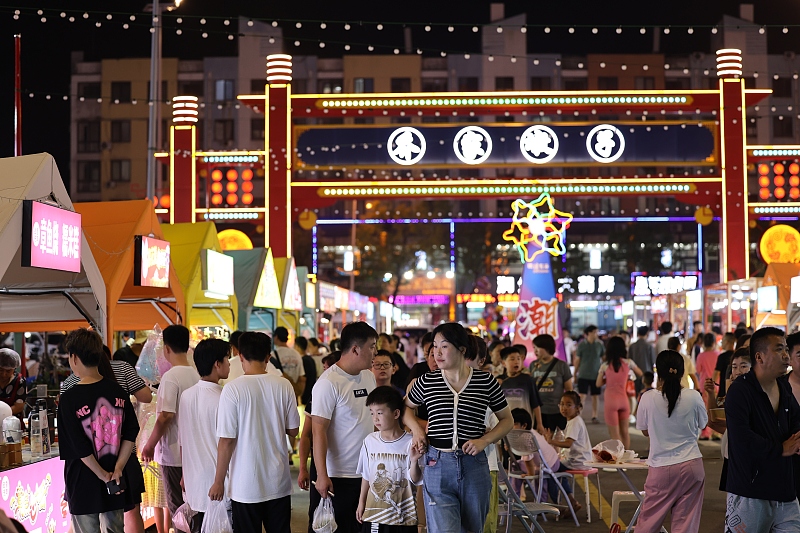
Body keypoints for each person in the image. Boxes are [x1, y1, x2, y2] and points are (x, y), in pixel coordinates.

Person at [406, 323, 512, 533]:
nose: (436, 352)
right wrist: (418, 431)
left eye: (444, 346)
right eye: (434, 347)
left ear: (462, 350)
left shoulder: (485, 381)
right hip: (437, 463)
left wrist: (484, 440)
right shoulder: (427, 381)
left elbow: (507, 420)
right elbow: (406, 408)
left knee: (473, 529)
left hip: (474, 465)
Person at [313, 323, 420, 533]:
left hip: (369, 473)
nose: (375, 352)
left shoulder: (368, 376)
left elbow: (380, 415)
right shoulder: (329, 383)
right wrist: (322, 475)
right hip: (340, 476)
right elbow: (318, 431)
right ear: (355, 349)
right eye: (372, 346)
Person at [209, 332, 300, 532]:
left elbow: (226, 440)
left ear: (240, 355)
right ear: (268, 357)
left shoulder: (232, 390)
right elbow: (293, 430)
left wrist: (218, 482)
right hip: (278, 482)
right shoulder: (284, 385)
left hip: (244, 486)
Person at [62, 346, 152, 533]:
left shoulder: (69, 395)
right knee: (116, 528)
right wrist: (117, 468)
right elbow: (130, 431)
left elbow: (77, 445)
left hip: (83, 478)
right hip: (116, 476)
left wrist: (103, 474)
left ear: (74, 358)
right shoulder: (117, 390)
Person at [725, 327, 800, 531]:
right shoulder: (740, 391)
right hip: (750, 493)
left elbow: (796, 422)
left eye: (786, 349)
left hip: (785, 492)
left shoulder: (783, 387)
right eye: (779, 350)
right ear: (759, 356)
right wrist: (780, 449)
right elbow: (742, 439)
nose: (786, 356)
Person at [635, 349, 707, 533]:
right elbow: (703, 423)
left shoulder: (647, 397)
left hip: (661, 469)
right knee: (686, 524)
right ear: (682, 372)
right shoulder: (694, 396)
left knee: (648, 523)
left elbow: (644, 430)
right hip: (692, 466)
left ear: (658, 371)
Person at [141, 325, 199, 533]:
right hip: (193, 454)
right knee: (193, 509)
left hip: (174, 454)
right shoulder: (196, 375)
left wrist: (149, 446)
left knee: (179, 511)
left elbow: (166, 416)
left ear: (166, 349)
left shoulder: (171, 377)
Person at [177, 339, 230, 533]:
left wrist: (184, 474)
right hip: (220, 482)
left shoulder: (186, 396)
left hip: (194, 482)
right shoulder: (224, 398)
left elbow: (182, 439)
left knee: (200, 527)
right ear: (217, 364)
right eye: (227, 358)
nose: (230, 363)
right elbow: (228, 443)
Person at [356, 387, 423, 533]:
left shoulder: (411, 442)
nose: (375, 418)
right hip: (375, 515)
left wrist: (414, 461)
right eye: (372, 413)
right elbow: (366, 476)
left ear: (396, 413)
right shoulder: (369, 441)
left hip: (404, 518)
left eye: (380, 413)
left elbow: (416, 480)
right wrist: (361, 503)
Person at [299, 352, 340, 533]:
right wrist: (303, 469)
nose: (324, 373)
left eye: (326, 369)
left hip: (344, 467)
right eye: (323, 369)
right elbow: (306, 435)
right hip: (321, 465)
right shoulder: (317, 395)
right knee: (318, 518)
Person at [704, 348, 751, 491]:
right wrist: (711, 394)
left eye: (743, 366)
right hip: (732, 452)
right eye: (734, 367)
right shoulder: (733, 393)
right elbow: (713, 419)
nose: (737, 371)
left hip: (746, 454)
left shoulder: (756, 393)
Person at [544, 391, 591, 511]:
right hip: (580, 460)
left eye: (569, 405)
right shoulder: (573, 420)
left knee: (549, 471)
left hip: (577, 461)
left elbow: (568, 444)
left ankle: (560, 506)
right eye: (562, 404)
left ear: (578, 407)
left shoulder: (574, 422)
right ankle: (572, 502)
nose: (564, 408)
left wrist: (551, 441)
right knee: (558, 472)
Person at [596, 336, 642, 450]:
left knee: (615, 436)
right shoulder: (628, 363)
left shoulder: (605, 365)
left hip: (611, 401)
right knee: (625, 432)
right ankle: (625, 459)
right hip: (624, 400)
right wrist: (628, 376)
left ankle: (619, 462)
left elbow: (598, 383)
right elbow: (640, 373)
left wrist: (610, 379)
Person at [509, 409, 561, 499]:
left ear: (524, 425)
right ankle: (538, 501)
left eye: (514, 424)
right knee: (518, 466)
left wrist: (530, 473)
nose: (511, 427)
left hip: (548, 464)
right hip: (549, 461)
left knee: (518, 467)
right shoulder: (530, 432)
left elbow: (528, 458)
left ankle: (514, 498)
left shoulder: (526, 437)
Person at [529, 334, 573, 432]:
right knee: (542, 442)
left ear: (547, 347)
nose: (535, 351)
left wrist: (569, 408)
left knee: (558, 441)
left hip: (558, 411)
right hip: (539, 412)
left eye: (537, 347)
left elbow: (569, 389)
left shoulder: (561, 365)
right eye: (534, 348)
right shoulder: (533, 365)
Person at [499, 346, 544, 431]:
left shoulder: (528, 380)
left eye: (518, 359)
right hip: (504, 424)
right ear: (503, 363)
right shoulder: (499, 381)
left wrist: (539, 424)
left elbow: (536, 404)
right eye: (512, 359)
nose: (516, 362)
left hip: (524, 424)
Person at [574, 325, 604, 423]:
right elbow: (577, 360)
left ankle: (594, 416)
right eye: (595, 332)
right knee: (582, 396)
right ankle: (579, 415)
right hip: (583, 373)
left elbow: (604, 358)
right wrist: (575, 373)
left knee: (595, 396)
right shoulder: (582, 345)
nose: (596, 334)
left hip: (596, 374)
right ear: (589, 333)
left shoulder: (599, 345)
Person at [695, 333, 719, 440]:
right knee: (716, 409)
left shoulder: (701, 355)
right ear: (714, 342)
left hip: (704, 386)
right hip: (717, 385)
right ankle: (716, 432)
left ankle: (706, 433)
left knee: (705, 410)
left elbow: (698, 370)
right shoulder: (718, 354)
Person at [273, 327, 306, 400]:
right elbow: (302, 379)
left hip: (279, 396)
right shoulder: (296, 354)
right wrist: (298, 394)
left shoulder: (273, 355)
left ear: (276, 337)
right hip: (293, 395)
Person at [628, 326, 656, 397]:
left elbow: (629, 361)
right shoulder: (649, 346)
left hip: (634, 375)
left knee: (636, 395)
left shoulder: (632, 346)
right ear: (647, 333)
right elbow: (653, 361)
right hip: (647, 375)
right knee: (645, 396)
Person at [0, 349, 26, 420]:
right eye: (1, 370)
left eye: (8, 371)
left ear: (14, 369)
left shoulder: (19, 381)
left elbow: (19, 407)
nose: (4, 374)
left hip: (13, 424)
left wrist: (2, 415)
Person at [296, 337, 318, 407]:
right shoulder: (311, 359)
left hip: (305, 397)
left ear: (297, 346)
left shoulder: (302, 360)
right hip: (312, 394)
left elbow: (303, 380)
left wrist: (300, 396)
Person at [714, 333, 737, 398]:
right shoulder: (737, 356)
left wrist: (712, 387)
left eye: (722, 341)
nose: (721, 343)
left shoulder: (722, 357)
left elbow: (716, 374)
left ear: (727, 342)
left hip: (723, 391)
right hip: (735, 390)